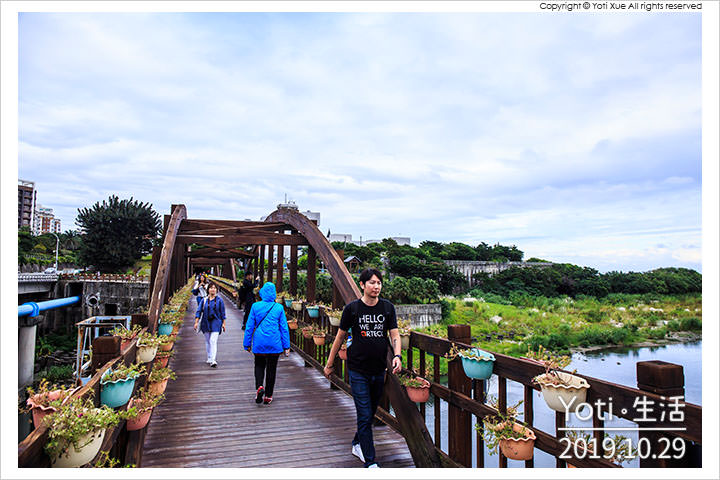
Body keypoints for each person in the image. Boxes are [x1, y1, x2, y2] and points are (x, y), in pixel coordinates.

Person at [324, 268, 401, 468]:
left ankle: (358, 442)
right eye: (372, 283)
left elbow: (394, 334)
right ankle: (370, 462)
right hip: (357, 369)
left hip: (379, 370)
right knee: (365, 414)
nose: (376, 287)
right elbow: (340, 337)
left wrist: (398, 356)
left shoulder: (387, 308)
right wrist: (330, 363)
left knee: (370, 411)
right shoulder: (352, 309)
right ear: (362, 285)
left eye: (379, 283)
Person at [243, 282, 291, 405]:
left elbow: (249, 326)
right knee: (271, 369)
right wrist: (286, 346)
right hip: (275, 343)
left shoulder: (255, 306)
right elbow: (284, 328)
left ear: (262, 292)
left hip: (259, 342)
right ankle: (268, 396)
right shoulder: (279, 308)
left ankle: (259, 386)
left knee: (259, 365)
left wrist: (247, 343)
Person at [193, 283, 226, 368]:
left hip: (216, 322)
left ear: (216, 290)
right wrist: (196, 322)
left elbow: (223, 313)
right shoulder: (204, 300)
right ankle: (209, 357)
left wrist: (223, 324)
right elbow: (199, 311)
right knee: (208, 341)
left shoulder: (219, 300)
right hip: (205, 322)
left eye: (214, 288)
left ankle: (213, 360)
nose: (213, 289)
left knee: (212, 341)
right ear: (208, 290)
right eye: (211, 288)